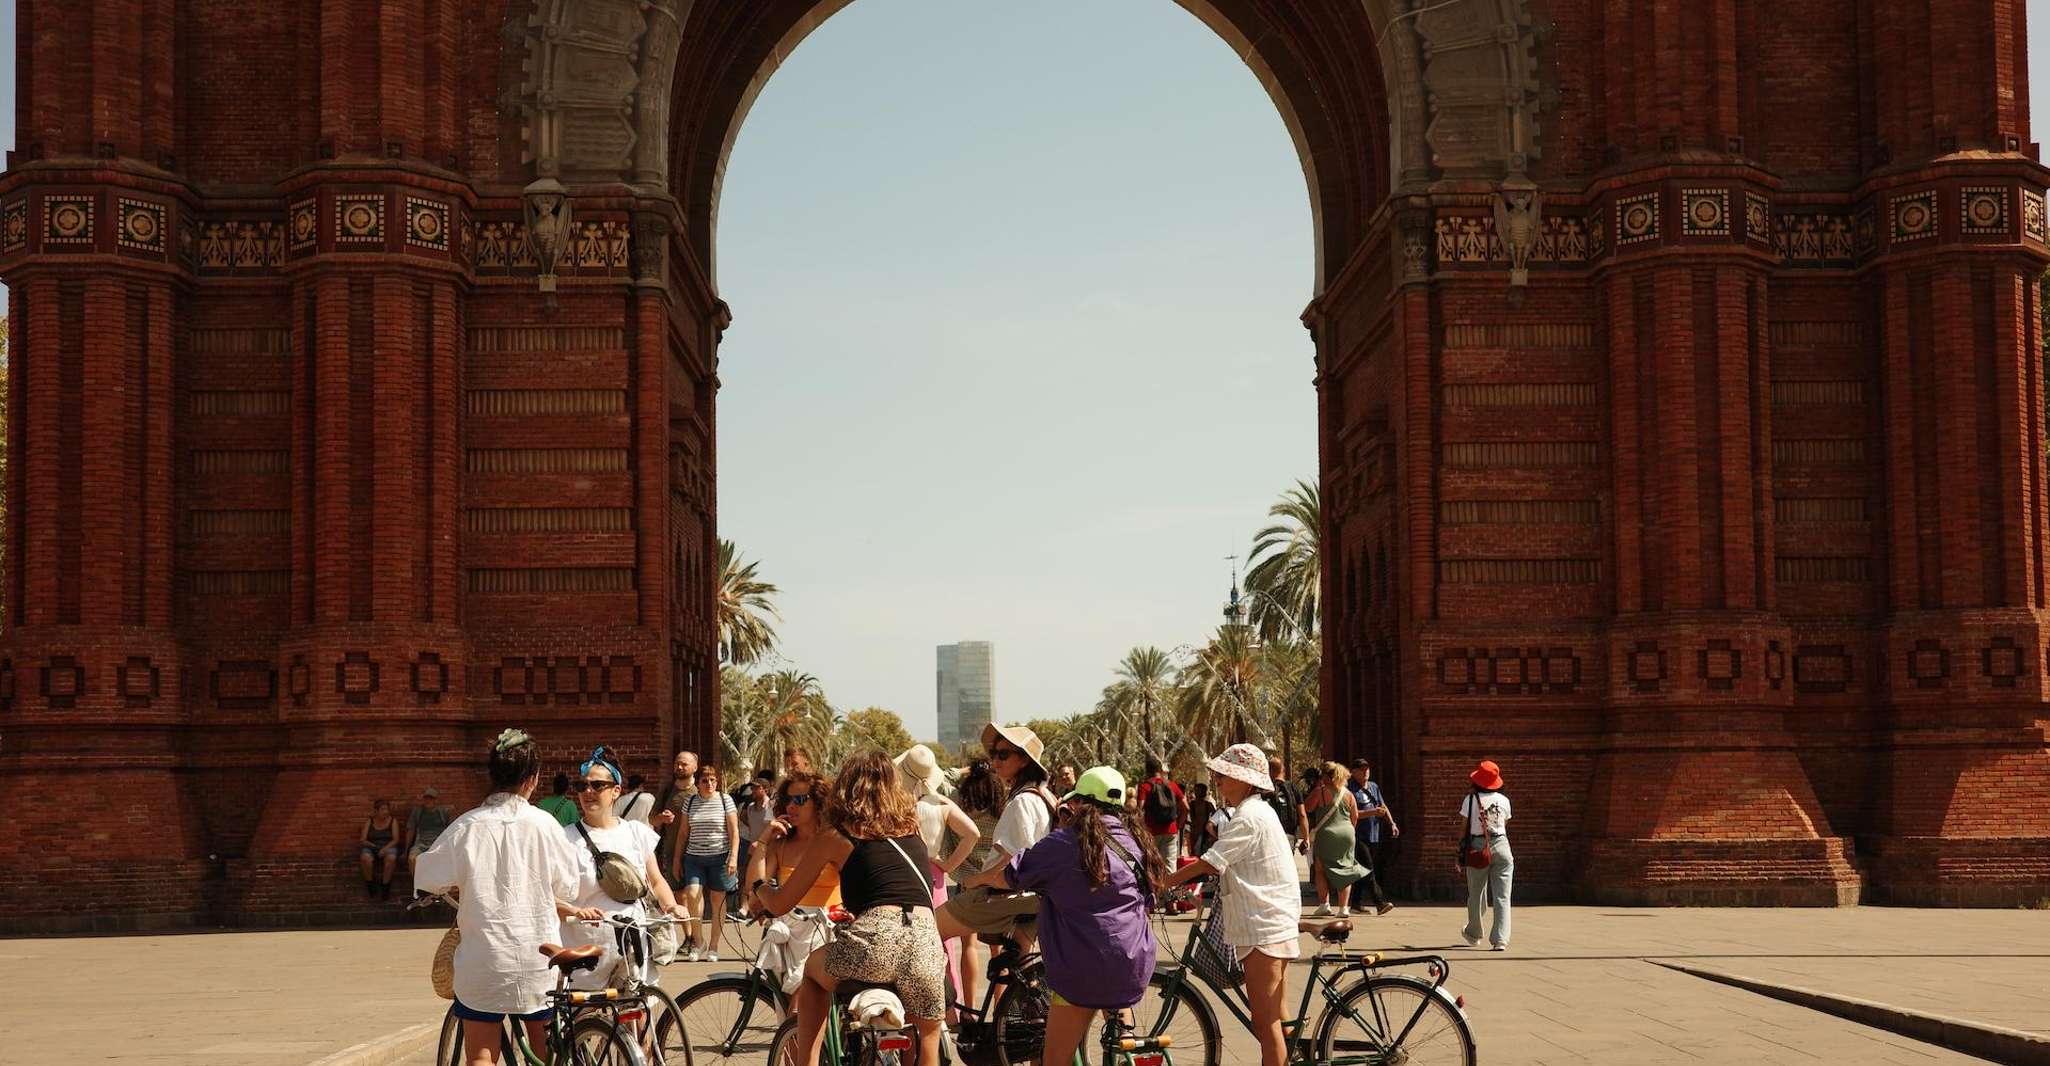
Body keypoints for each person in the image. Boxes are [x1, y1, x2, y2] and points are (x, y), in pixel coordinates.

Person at [748, 751, 949, 1066]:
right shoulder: (913, 830)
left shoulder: (836, 835)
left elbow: (781, 902)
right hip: (926, 941)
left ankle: (807, 1062)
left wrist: (759, 888)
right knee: (929, 1036)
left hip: (875, 940)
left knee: (812, 977)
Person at [961, 766, 1163, 1066]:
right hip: (1134, 965)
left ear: (1079, 803)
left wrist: (978, 880)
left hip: (1082, 970)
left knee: (1055, 1058)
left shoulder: (1068, 843)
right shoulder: (1136, 842)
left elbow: (1013, 874)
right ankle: (1125, 1047)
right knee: (1116, 1026)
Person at [414, 728, 589, 1066]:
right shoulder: (546, 825)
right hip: (540, 957)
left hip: (485, 959)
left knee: (481, 1055)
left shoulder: (467, 826)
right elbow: (567, 887)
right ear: (534, 778)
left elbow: (428, 877)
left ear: (492, 775)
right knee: (546, 1053)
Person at [1159, 744, 1301, 1066]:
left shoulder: (1248, 817)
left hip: (1263, 926)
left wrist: (1164, 883)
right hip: (1273, 921)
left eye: (1225, 774)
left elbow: (1211, 862)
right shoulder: (1257, 812)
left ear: (1245, 780)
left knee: (1266, 1026)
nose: (1218, 779)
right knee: (1277, 1019)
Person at [557, 746, 688, 989]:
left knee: (637, 1019)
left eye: (597, 786)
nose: (588, 792)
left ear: (616, 791)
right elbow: (547, 897)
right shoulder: (564, 838)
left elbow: (656, 880)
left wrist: (670, 905)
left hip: (632, 946)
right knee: (586, 1022)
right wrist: (574, 911)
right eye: (581, 786)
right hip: (585, 953)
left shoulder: (635, 832)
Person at [935, 723, 1057, 950]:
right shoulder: (1044, 795)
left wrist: (978, 880)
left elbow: (1016, 862)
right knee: (1017, 967)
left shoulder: (1022, 801)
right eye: (994, 754)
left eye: (1003, 754)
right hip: (1033, 895)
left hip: (1004, 893)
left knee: (928, 930)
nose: (995, 761)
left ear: (1024, 760)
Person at [897, 744, 980, 1001]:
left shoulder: (900, 807)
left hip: (906, 874)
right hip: (936, 877)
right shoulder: (941, 804)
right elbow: (972, 834)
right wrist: (949, 865)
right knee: (944, 946)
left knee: (908, 944)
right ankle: (949, 1008)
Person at [942, 758, 1006, 1015]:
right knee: (998, 950)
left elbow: (940, 778)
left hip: (967, 881)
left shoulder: (958, 800)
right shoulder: (1001, 804)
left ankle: (967, 1010)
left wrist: (966, 769)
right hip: (996, 883)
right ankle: (1002, 1010)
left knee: (967, 947)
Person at [746, 769, 843, 910]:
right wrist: (763, 841)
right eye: (787, 800)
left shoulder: (835, 843)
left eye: (799, 799)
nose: (791, 805)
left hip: (828, 926)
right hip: (789, 925)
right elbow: (754, 890)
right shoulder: (780, 845)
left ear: (818, 801)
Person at [672, 764, 741, 962]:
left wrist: (733, 857)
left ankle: (713, 945)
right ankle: (698, 940)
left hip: (720, 857)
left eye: (713, 780)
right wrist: (677, 859)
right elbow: (683, 832)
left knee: (717, 901)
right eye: (705, 780)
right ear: (698, 783)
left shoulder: (725, 800)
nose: (709, 784)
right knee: (692, 894)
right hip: (694, 857)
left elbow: (734, 831)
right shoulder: (691, 801)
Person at [647, 750, 697, 963]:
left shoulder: (700, 791)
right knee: (679, 895)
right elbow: (652, 819)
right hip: (670, 850)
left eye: (684, 764)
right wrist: (661, 818)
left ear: (694, 767)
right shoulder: (667, 790)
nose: (679, 767)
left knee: (695, 894)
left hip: (697, 851)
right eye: (677, 763)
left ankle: (697, 938)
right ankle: (688, 936)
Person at [1459, 759, 1513, 951]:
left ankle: (1474, 933)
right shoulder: (1504, 800)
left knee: (1476, 892)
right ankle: (1500, 939)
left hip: (1478, 845)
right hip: (1502, 846)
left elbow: (1464, 827)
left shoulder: (1470, 800)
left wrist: (1460, 849)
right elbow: (1504, 825)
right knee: (1503, 896)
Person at [1346, 759, 1398, 915]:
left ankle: (1355, 903)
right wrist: (1373, 812)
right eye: (1361, 769)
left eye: (1367, 769)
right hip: (1357, 835)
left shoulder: (1374, 787)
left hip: (1374, 834)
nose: (1365, 772)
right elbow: (1351, 814)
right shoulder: (1350, 789)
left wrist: (1392, 823)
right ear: (1353, 772)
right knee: (1368, 868)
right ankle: (1379, 902)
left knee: (1363, 868)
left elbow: (1382, 806)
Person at [732, 772, 776, 917]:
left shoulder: (770, 806)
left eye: (757, 788)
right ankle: (743, 909)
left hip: (767, 849)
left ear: (765, 790)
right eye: (753, 788)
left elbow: (772, 827)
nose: (753, 791)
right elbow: (743, 818)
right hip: (752, 848)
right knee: (746, 878)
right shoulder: (750, 807)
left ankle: (764, 909)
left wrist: (761, 841)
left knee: (764, 880)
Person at [1134, 756, 1188, 868]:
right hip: (1171, 831)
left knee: (1152, 865)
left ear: (1147, 770)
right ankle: (1170, 885)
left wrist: (1139, 828)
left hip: (1151, 831)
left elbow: (1139, 809)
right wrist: (1179, 824)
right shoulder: (1172, 785)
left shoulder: (1144, 787)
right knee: (1170, 864)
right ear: (1160, 770)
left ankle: (1154, 885)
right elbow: (1186, 807)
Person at [406, 788, 454, 882]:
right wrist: (406, 849)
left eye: (431, 798)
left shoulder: (443, 812)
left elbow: (451, 830)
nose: (428, 801)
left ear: (436, 800)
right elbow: (410, 830)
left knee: (444, 861)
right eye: (426, 798)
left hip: (438, 843)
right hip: (421, 843)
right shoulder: (418, 812)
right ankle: (418, 887)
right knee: (412, 859)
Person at [358, 799, 400, 899]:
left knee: (391, 859)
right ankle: (370, 883)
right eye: (383, 809)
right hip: (372, 846)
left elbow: (396, 839)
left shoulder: (393, 821)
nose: (386, 811)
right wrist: (373, 847)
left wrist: (384, 849)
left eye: (387, 809)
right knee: (365, 858)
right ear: (376, 811)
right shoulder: (370, 821)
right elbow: (363, 839)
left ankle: (385, 886)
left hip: (388, 846)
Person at [1268, 757, 1309, 852]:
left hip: (1270, 834)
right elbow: (1302, 815)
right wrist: (1306, 838)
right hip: (1289, 834)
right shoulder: (1293, 788)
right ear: (1283, 770)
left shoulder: (1265, 789)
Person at [1185, 782, 1217, 858]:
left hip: (1204, 833)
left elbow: (1215, 816)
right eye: (1196, 790)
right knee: (1195, 854)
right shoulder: (1191, 804)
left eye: (1199, 791)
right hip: (1194, 833)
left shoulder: (1208, 805)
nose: (1197, 793)